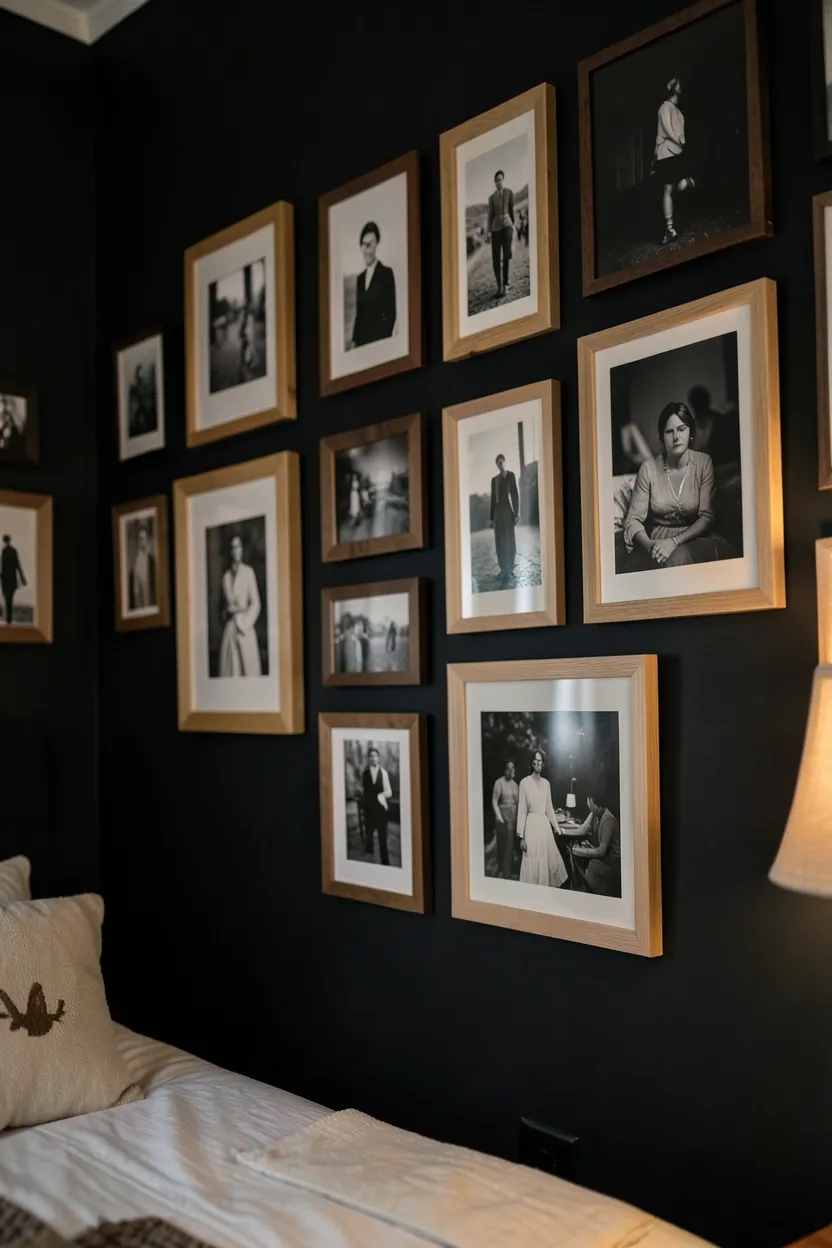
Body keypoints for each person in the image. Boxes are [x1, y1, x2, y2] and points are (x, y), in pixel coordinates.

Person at [623, 402, 736, 571]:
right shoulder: (648, 469)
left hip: (696, 539)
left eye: (682, 429)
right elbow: (633, 520)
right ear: (662, 437)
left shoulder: (703, 462)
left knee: (677, 559)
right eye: (669, 431)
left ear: (690, 432)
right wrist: (651, 546)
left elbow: (706, 517)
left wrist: (673, 542)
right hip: (657, 543)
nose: (676, 437)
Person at [517, 750, 568, 888]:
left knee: (546, 860)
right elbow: (522, 809)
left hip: (544, 828)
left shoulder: (546, 784)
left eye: (541, 761)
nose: (538, 764)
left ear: (543, 764)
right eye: (536, 761)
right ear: (532, 763)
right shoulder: (524, 783)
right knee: (532, 861)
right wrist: (521, 836)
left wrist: (557, 828)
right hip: (531, 827)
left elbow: (549, 808)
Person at [653, 78, 695, 245]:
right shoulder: (665, 107)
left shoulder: (678, 112)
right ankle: (669, 229)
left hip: (674, 153)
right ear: (672, 89)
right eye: (676, 83)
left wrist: (681, 144)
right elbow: (666, 130)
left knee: (671, 189)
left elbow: (679, 134)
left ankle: (670, 229)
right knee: (668, 190)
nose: (680, 85)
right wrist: (654, 157)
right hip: (666, 153)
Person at [218, 534, 262, 677]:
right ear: (230, 551)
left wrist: (245, 622)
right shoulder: (225, 577)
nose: (236, 550)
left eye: (238, 547)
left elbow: (256, 603)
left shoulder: (249, 572)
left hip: (245, 629)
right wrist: (229, 611)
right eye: (233, 547)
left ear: (242, 549)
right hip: (230, 631)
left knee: (248, 672)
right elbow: (224, 608)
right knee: (231, 672)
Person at [351, 221, 397, 347]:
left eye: (371, 245)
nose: (367, 250)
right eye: (364, 245)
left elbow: (391, 313)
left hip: (379, 344)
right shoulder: (359, 279)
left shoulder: (386, 273)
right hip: (361, 345)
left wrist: (382, 344)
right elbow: (359, 315)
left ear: (377, 244)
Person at [571, 787, 621, 897]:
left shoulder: (609, 820)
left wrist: (577, 850)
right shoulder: (595, 813)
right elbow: (583, 829)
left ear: (592, 801)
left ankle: (585, 889)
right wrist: (563, 831)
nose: (588, 803)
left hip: (611, 865)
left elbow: (601, 851)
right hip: (603, 859)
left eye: (589, 800)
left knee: (589, 865)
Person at [490, 454, 520, 586]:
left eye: (502, 462)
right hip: (498, 512)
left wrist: (516, 513)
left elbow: (514, 495)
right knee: (499, 540)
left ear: (505, 463)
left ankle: (510, 567)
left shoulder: (511, 476)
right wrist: (491, 518)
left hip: (508, 511)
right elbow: (492, 499)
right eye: (498, 463)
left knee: (510, 539)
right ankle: (503, 568)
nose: (500, 465)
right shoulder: (494, 480)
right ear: (497, 465)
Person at [362, 746, 393, 864]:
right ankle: (369, 867)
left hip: (380, 809)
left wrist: (382, 795)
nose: (373, 759)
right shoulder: (365, 774)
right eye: (371, 756)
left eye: (375, 756)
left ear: (379, 758)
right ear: (369, 759)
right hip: (368, 809)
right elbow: (365, 792)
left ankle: (385, 863)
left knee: (382, 838)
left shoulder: (384, 773)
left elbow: (389, 792)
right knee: (369, 837)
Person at [486, 170, 515, 298]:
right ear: (495, 182)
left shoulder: (509, 193)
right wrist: (487, 231)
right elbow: (490, 216)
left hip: (507, 225)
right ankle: (499, 286)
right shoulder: (491, 198)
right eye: (497, 180)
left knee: (507, 253)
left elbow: (511, 210)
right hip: (495, 229)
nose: (499, 182)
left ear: (503, 179)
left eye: (500, 179)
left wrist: (512, 225)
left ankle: (506, 285)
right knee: (496, 257)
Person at [491, 760, 519, 879]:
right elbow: (494, 801)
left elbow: (518, 803)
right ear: (505, 770)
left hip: (513, 815)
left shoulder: (515, 784)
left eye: (513, 768)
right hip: (503, 816)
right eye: (509, 769)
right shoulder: (499, 783)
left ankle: (510, 869)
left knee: (512, 843)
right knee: (506, 843)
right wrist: (498, 816)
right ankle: (505, 872)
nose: (512, 771)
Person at [128, 523, 156, 612]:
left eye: (144, 538)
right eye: (140, 539)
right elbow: (135, 585)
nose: (142, 541)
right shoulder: (135, 561)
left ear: (147, 540)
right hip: (139, 596)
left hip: (150, 594)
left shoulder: (151, 560)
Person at [0, 535, 25, 627]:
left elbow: (2, 566)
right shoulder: (13, 551)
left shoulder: (5, 551)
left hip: (6, 579)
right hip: (12, 578)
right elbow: (17, 565)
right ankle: (9, 619)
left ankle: (8, 619)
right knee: (9, 598)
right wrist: (22, 578)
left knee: (7, 598)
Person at [127, 363, 156, 438]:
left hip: (143, 405)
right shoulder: (138, 387)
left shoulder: (143, 387)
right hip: (142, 405)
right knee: (139, 416)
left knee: (143, 416)